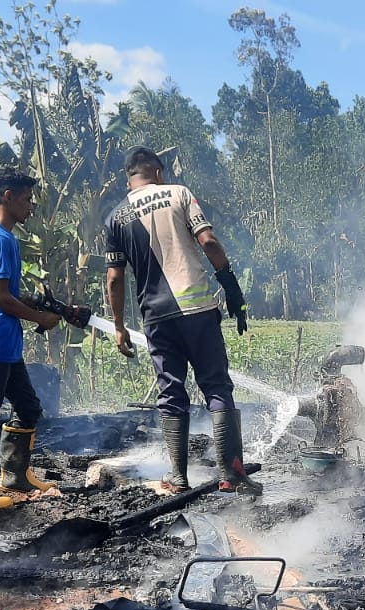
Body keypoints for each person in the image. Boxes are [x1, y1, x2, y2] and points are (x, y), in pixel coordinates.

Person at [103, 146, 260, 495]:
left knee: (171, 393)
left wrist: (117, 325)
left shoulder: (116, 216)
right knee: (217, 386)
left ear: (130, 178)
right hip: (199, 310)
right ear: (158, 172)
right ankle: (232, 475)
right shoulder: (179, 193)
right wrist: (232, 288)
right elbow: (209, 240)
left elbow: (114, 278)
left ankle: (178, 477)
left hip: (157, 319)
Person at [0, 167, 89, 511]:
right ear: (7, 197)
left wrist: (30, 302)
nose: (32, 206)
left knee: (28, 408)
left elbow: (5, 294)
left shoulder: (3, 238)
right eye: (27, 199)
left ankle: (15, 476)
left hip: (6, 344)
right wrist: (41, 317)